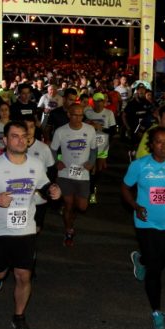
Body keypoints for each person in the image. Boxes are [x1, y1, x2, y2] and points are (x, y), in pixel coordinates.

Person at [0, 120, 61, 329]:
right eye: (15, 136)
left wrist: (52, 190)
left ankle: (19, 316)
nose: (20, 140)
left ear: (29, 139)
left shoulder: (37, 164)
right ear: (5, 140)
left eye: (23, 136)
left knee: (23, 275)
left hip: (25, 230)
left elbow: (44, 184)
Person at [121, 127, 165, 329]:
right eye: (158, 142)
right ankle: (156, 311)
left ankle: (140, 260)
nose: (163, 146)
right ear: (150, 144)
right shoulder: (139, 165)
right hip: (145, 222)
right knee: (155, 269)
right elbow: (125, 187)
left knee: (159, 263)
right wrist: (135, 207)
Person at [50, 104, 97, 247]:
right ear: (69, 115)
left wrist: (91, 162)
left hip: (82, 174)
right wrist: (56, 162)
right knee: (68, 204)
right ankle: (69, 230)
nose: (78, 118)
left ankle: (71, 215)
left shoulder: (89, 130)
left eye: (81, 115)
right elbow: (52, 150)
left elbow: (94, 149)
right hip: (65, 174)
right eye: (75, 115)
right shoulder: (60, 131)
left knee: (82, 206)